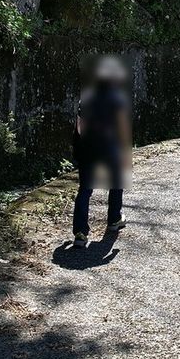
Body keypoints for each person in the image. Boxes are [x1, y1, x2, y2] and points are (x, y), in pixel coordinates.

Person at [72, 55, 132, 248]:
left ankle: (80, 232)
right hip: (109, 147)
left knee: (85, 190)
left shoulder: (87, 97)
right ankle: (114, 220)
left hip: (88, 148)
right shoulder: (117, 98)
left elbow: (80, 128)